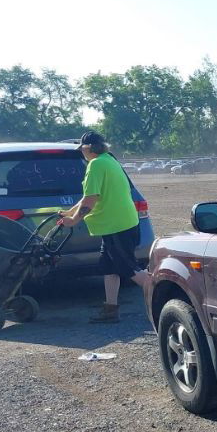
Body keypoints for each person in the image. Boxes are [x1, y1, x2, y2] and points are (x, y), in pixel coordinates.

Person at [58, 131, 150, 323]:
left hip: (116, 226)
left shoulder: (96, 164)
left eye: (82, 148)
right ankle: (110, 309)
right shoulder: (110, 160)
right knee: (110, 268)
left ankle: (168, 297)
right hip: (120, 224)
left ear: (89, 148)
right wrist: (70, 212)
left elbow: (92, 198)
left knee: (129, 269)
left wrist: (74, 220)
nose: (81, 152)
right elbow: (87, 196)